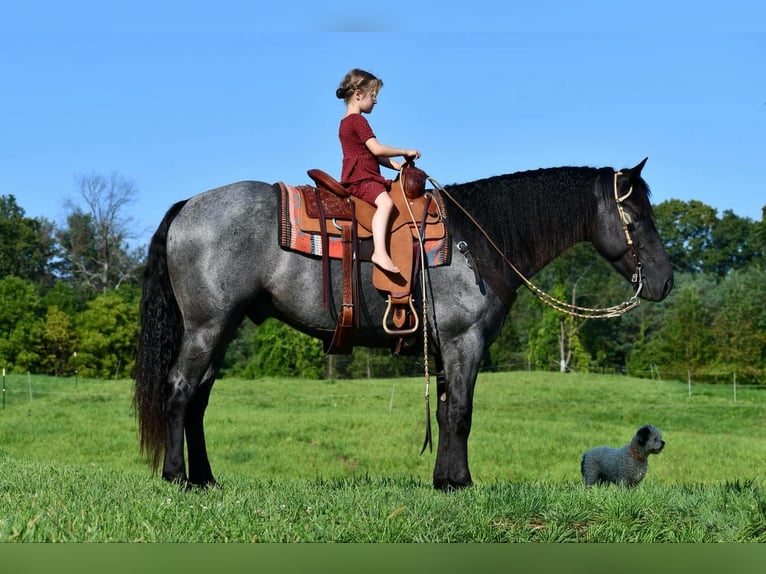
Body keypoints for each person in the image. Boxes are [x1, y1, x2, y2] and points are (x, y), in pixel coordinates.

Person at [336, 68, 421, 274]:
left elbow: (374, 156)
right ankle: (380, 252)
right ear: (358, 94)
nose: (375, 101)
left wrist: (398, 166)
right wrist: (404, 151)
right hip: (362, 178)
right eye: (372, 96)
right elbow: (377, 148)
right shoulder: (358, 121)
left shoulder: (345, 123)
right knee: (386, 203)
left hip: (360, 176)